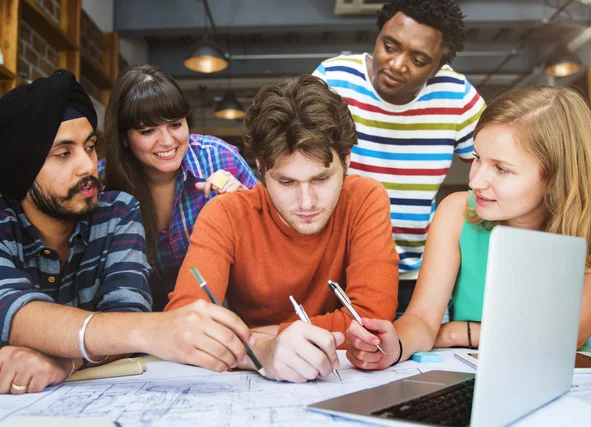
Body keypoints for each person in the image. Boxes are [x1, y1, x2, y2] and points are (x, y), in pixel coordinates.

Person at [0, 70, 256, 394]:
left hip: (209, 336)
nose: (88, 167)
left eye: (90, 147)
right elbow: (12, 309)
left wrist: (63, 361)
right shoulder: (101, 188)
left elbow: (127, 312)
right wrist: (154, 330)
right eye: (64, 154)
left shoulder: (117, 209)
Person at [345, 85, 591, 370]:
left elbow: (568, 337)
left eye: (502, 169)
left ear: (556, 179)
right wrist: (394, 346)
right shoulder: (457, 212)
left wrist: (460, 332)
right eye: (478, 157)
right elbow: (421, 319)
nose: (475, 181)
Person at [166, 75, 399, 383]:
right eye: (286, 182)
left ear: (346, 160)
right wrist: (262, 350)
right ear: (261, 168)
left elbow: (372, 321)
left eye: (320, 179)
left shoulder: (365, 198)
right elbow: (183, 326)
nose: (306, 202)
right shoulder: (225, 215)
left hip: (339, 381)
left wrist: (260, 337)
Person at [313, 0, 486, 316]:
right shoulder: (335, 78)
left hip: (413, 277)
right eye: (389, 46)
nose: (396, 64)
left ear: (438, 67)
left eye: (419, 60)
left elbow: (494, 162)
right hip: (336, 268)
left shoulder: (456, 94)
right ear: (378, 36)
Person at [102, 65, 258, 311]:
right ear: (124, 138)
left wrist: (246, 206)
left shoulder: (219, 158)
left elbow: (273, 236)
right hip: (138, 324)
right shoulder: (103, 183)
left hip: (220, 313)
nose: (166, 141)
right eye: (148, 130)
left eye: (175, 124)